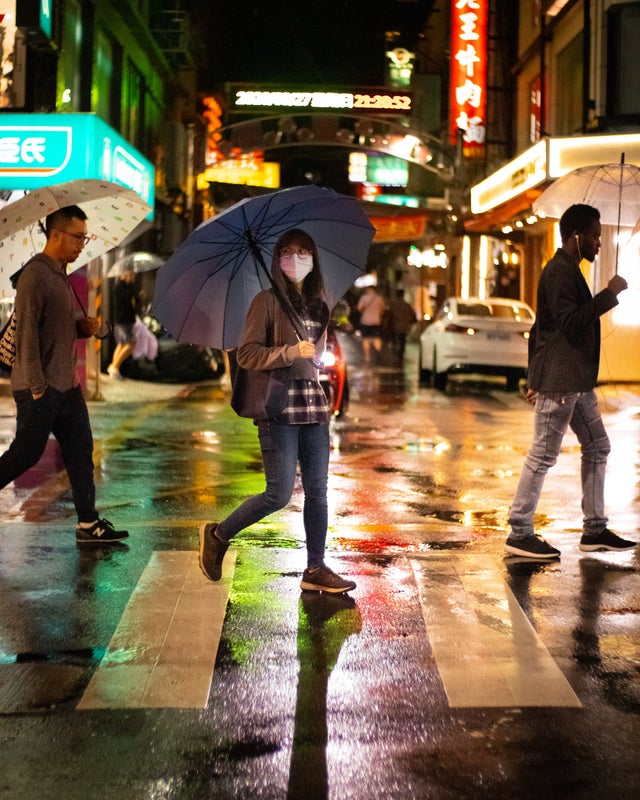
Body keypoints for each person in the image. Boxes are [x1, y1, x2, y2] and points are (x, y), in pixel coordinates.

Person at [198, 228, 356, 594]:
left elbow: (316, 354)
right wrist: (288, 352)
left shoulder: (320, 305)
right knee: (278, 494)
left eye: (302, 252)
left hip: (314, 407)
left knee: (318, 492)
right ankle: (218, 534)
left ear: (313, 259)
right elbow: (247, 354)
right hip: (279, 408)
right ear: (277, 260)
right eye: (287, 252)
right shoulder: (265, 302)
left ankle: (315, 568)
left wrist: (314, 357)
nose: (295, 259)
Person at [504, 203, 635, 559]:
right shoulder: (560, 272)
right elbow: (570, 323)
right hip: (562, 381)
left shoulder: (568, 270)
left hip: (575, 381)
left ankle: (595, 530)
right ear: (576, 236)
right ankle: (520, 531)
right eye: (594, 237)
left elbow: (539, 330)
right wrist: (610, 295)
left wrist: (534, 374)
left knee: (598, 446)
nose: (598, 244)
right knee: (543, 454)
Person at [0, 205, 128, 545]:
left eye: (85, 237)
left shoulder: (60, 274)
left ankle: (88, 523)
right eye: (77, 236)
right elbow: (26, 334)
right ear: (55, 234)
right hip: (40, 386)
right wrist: (38, 389)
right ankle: (88, 522)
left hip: (66, 385)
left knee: (80, 449)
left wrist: (82, 328)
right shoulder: (35, 275)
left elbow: (54, 329)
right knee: (25, 453)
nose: (82, 244)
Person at [107, 269, 140, 380]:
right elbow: (128, 296)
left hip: (124, 320)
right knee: (131, 344)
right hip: (123, 320)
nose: (132, 277)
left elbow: (135, 300)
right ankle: (114, 367)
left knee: (121, 344)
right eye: (130, 275)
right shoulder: (120, 287)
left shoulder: (123, 286)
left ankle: (113, 369)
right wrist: (132, 287)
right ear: (124, 274)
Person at [356, 285, 386, 364]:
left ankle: (367, 357)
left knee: (366, 339)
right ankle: (378, 352)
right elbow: (382, 309)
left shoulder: (364, 297)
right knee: (376, 338)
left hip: (365, 321)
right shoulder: (379, 298)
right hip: (376, 321)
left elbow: (359, 308)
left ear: (368, 290)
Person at [388, 289, 417, 362]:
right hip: (404, 327)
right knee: (402, 341)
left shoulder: (393, 305)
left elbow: (389, 315)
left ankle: (396, 355)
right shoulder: (406, 305)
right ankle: (400, 355)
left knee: (395, 341)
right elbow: (413, 316)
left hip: (394, 326)